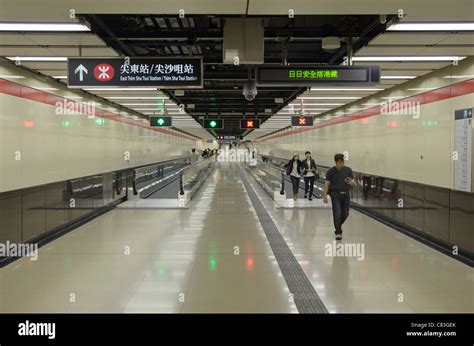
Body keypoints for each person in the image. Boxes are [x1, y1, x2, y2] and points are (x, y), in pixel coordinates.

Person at [322, 154, 355, 240]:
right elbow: (326, 184)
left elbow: (353, 181)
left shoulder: (348, 170)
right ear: (336, 162)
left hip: (346, 195)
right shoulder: (330, 172)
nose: (341, 165)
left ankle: (338, 226)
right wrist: (324, 195)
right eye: (340, 163)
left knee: (345, 213)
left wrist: (351, 182)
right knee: (337, 214)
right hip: (335, 195)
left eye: (343, 162)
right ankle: (338, 232)